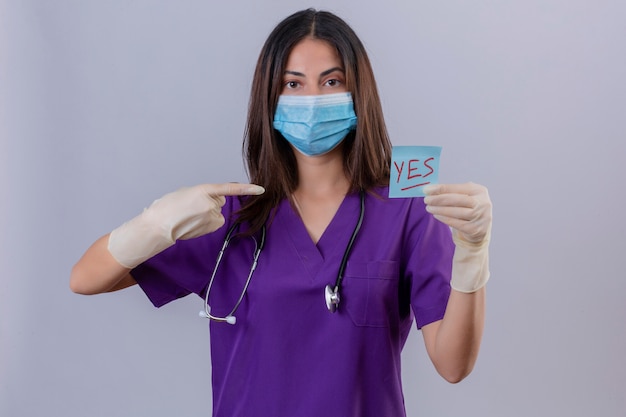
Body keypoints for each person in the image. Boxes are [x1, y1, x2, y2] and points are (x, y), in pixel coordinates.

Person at [70, 8, 492, 417]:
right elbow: (85, 279)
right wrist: (156, 223)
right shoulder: (227, 216)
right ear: (269, 98)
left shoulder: (406, 209)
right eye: (293, 84)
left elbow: (453, 366)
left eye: (331, 81)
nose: (312, 99)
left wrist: (473, 253)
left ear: (358, 91)